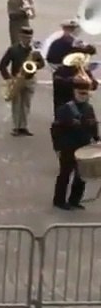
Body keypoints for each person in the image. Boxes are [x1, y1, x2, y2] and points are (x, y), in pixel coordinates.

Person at [51, 77, 100, 210]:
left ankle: (74, 200)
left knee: (81, 175)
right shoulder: (65, 109)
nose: (83, 96)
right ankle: (59, 200)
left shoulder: (89, 108)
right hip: (68, 146)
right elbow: (55, 129)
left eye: (86, 93)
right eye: (81, 93)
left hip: (84, 146)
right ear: (74, 92)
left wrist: (96, 139)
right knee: (65, 174)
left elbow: (93, 125)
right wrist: (57, 146)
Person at [0, 26, 43, 136]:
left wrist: (36, 64)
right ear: (20, 37)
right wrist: (8, 79)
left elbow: (42, 63)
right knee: (17, 104)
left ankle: (24, 126)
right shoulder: (13, 49)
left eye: (29, 37)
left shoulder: (34, 51)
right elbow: (2, 65)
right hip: (17, 78)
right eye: (25, 37)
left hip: (30, 79)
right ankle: (16, 127)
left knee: (26, 104)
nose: (27, 40)